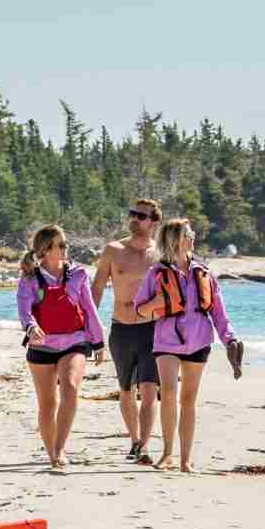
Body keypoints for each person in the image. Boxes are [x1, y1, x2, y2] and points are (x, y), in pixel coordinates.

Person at [132, 217, 238, 473]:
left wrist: (230, 339)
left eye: (192, 234)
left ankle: (185, 459)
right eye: (188, 235)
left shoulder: (203, 272)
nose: (192, 238)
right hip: (167, 341)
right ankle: (167, 453)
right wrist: (157, 301)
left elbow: (218, 313)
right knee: (168, 393)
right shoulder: (155, 273)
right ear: (175, 240)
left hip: (199, 341)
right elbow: (139, 310)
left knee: (189, 399)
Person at [15, 224, 105, 473]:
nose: (67, 249)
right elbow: (24, 310)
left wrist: (98, 340)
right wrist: (31, 328)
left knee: (71, 388)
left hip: (75, 341)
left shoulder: (78, 274)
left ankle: (60, 448)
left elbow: (89, 309)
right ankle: (51, 452)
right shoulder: (30, 278)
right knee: (47, 403)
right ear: (45, 250)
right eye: (61, 245)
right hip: (41, 345)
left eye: (66, 244)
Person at [91, 199, 164, 464]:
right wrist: (89, 324)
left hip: (152, 329)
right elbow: (97, 288)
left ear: (153, 222)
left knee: (148, 388)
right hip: (120, 328)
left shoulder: (161, 254)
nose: (134, 219)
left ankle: (144, 446)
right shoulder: (113, 250)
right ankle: (134, 439)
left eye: (141, 216)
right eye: (132, 214)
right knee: (125, 388)